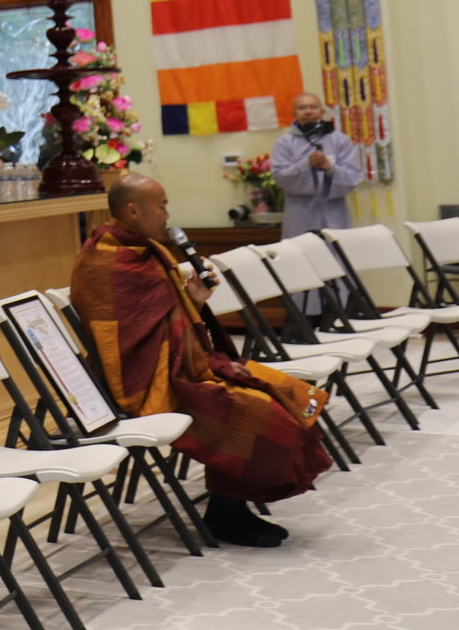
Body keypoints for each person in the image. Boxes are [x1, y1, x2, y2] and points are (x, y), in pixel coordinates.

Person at [71, 173, 332, 546]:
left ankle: (232, 507)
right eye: (161, 206)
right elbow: (125, 340)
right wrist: (199, 362)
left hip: (177, 365)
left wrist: (193, 297)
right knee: (254, 411)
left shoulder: (149, 249)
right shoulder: (104, 259)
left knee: (282, 391)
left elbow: (162, 319)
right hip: (140, 380)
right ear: (133, 210)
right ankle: (225, 515)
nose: (167, 215)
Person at [271, 93, 363, 238]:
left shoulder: (340, 140)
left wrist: (330, 168)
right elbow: (280, 178)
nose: (308, 112)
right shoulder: (284, 143)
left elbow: (353, 178)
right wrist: (306, 164)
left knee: (336, 250)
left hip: (334, 216)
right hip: (299, 217)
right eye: (302, 108)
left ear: (322, 112)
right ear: (294, 114)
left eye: (313, 107)